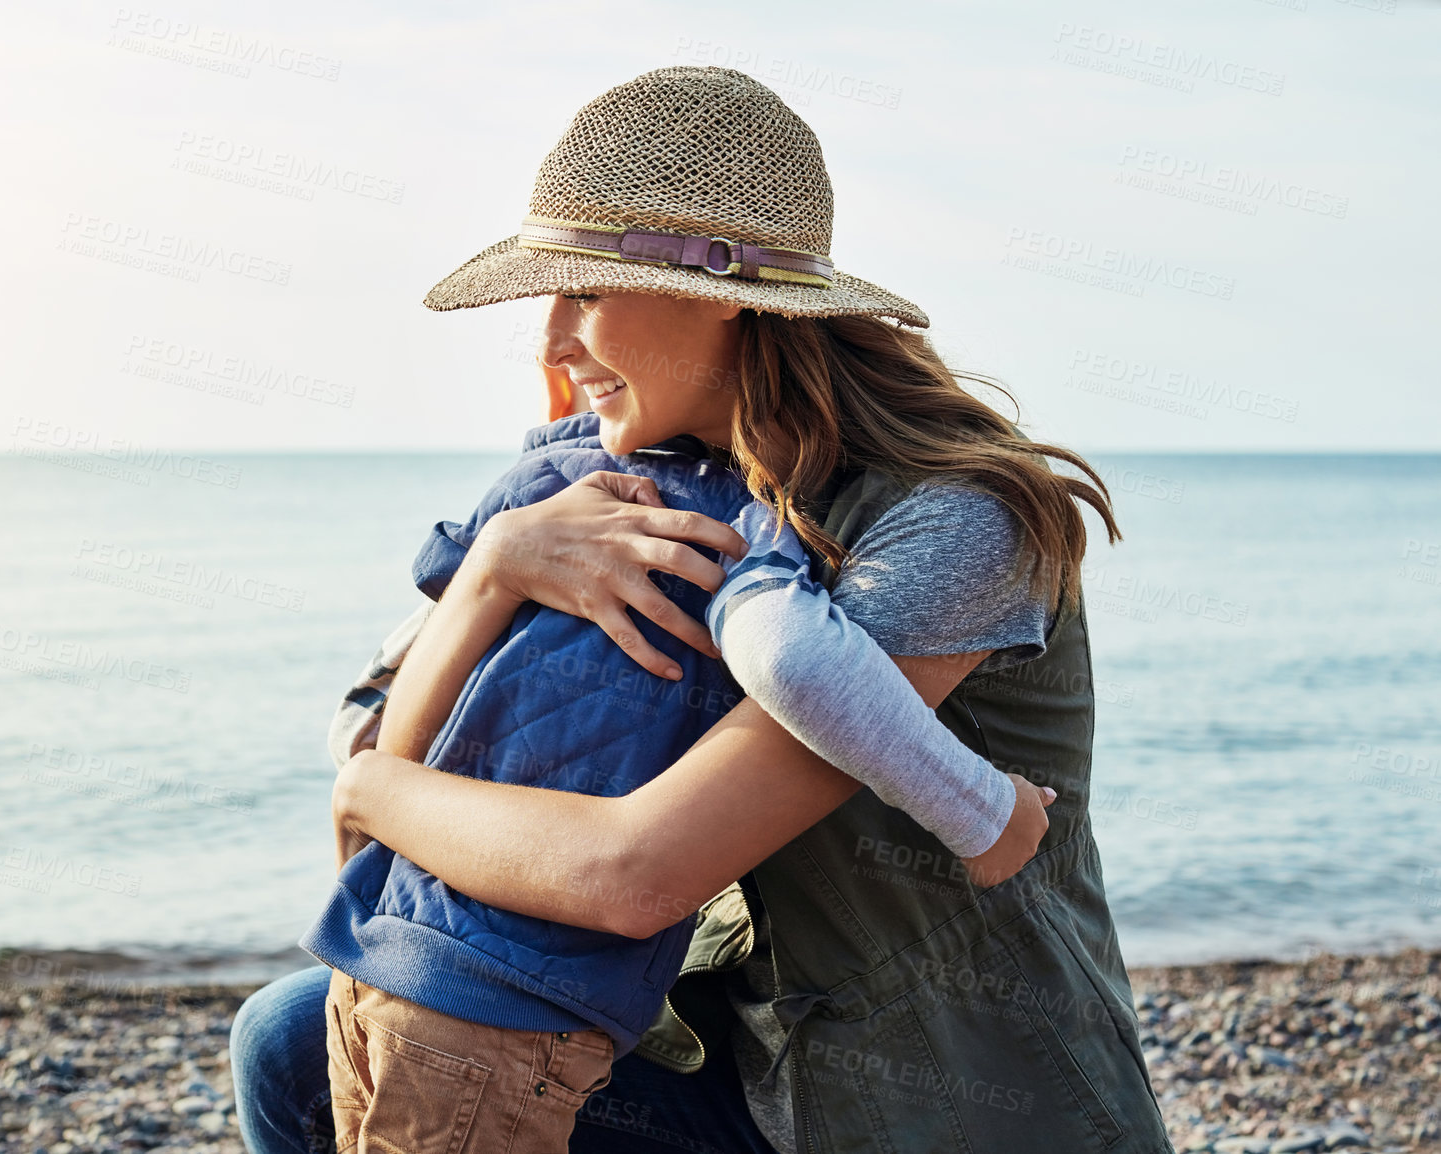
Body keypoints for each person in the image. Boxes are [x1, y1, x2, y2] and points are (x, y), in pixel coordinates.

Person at [235, 66, 1173, 1153]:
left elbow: (632, 872)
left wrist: (367, 781)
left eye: (582, 290)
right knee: (291, 1037)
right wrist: (495, 565)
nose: (549, 342)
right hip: (740, 1065)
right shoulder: (671, 489)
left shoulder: (951, 521)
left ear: (724, 289)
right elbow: (391, 779)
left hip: (947, 1108)